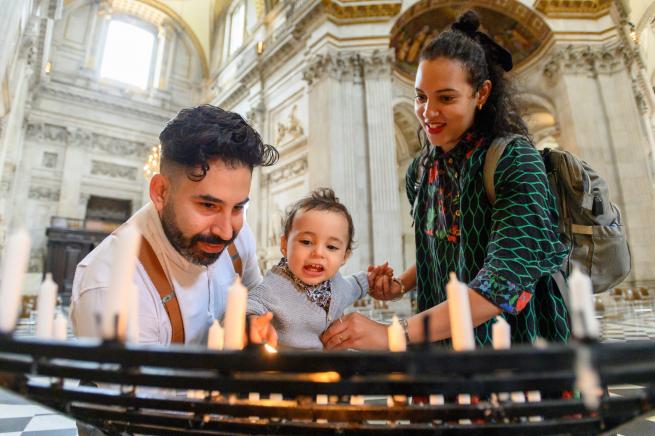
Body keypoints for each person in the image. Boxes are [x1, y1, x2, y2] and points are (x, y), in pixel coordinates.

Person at [321, 10, 570, 350]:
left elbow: (503, 285)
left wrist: (393, 333)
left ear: (480, 94)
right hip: (441, 348)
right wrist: (402, 284)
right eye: (421, 97)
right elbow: (445, 244)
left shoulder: (514, 160)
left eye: (446, 98)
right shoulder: (420, 172)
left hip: (515, 351)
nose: (427, 113)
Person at [70, 105, 279, 346]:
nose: (226, 231)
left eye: (238, 208)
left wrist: (251, 320)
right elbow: (140, 384)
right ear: (161, 192)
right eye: (208, 206)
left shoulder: (237, 233)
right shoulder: (109, 285)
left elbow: (254, 293)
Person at [247, 188, 371, 350]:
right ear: (284, 245)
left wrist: (371, 279)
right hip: (291, 371)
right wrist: (252, 321)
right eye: (306, 242)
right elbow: (249, 305)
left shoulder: (338, 284)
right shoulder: (274, 287)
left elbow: (354, 286)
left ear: (345, 257)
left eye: (331, 247)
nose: (318, 253)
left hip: (335, 370)